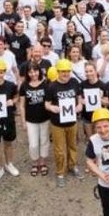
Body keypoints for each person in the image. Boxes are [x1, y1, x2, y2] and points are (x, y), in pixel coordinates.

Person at [44, 58, 84, 188]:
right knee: (59, 149)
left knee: (72, 145)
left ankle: (72, 166)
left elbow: (79, 97)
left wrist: (79, 105)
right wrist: (52, 108)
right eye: (63, 71)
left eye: (67, 71)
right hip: (57, 123)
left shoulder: (74, 82)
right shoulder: (52, 86)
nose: (65, 74)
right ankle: (60, 172)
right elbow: (47, 104)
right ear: (58, 72)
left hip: (72, 121)